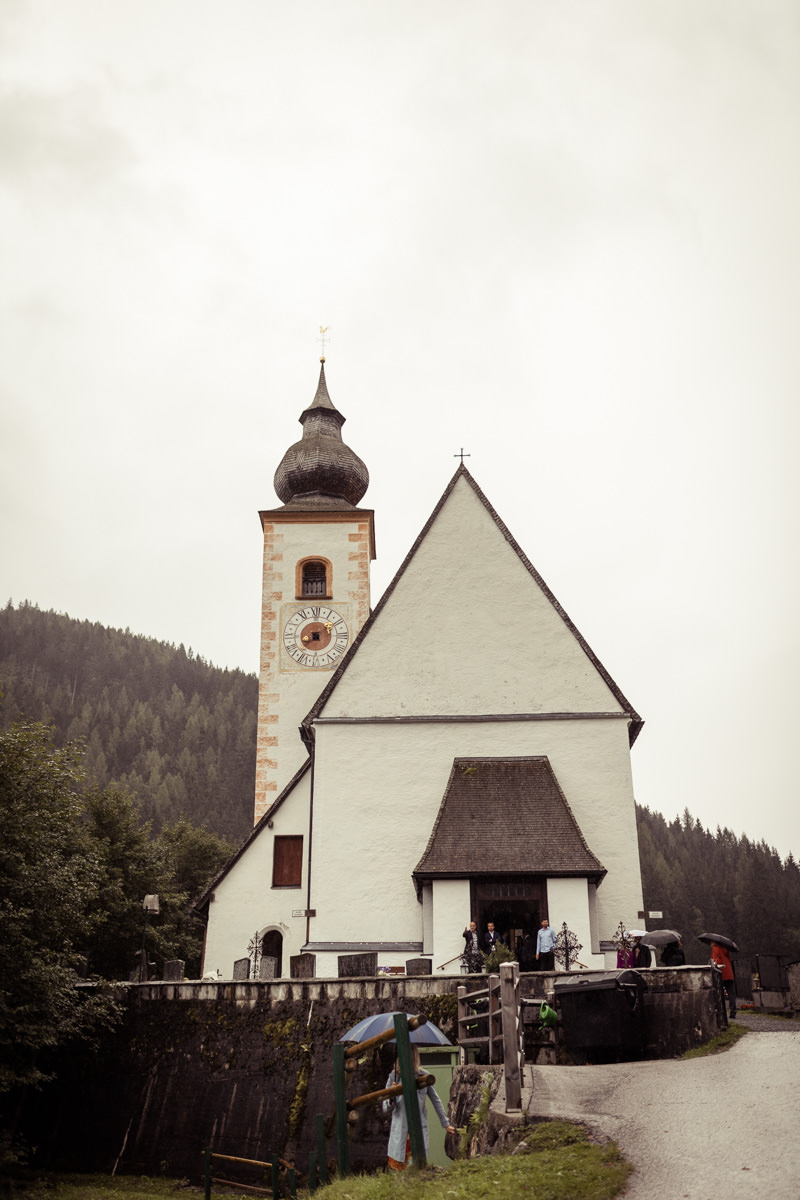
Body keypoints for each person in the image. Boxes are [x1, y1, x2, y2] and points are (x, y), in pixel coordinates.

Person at [382, 1047, 456, 1170]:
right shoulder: (393, 1077)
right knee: (399, 1167)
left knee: (417, 1166)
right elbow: (386, 1108)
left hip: (417, 1127)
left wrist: (445, 1123)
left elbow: (435, 1100)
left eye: (411, 1057)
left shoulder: (424, 1076)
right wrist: (392, 1093)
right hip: (401, 1129)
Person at [710, 941, 736, 1018]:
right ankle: (733, 1010)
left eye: (711, 943)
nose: (710, 944)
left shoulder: (715, 949)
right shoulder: (725, 949)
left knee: (719, 993)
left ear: (714, 943)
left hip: (721, 973)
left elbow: (716, 961)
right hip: (729, 973)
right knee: (731, 993)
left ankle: (720, 1011)